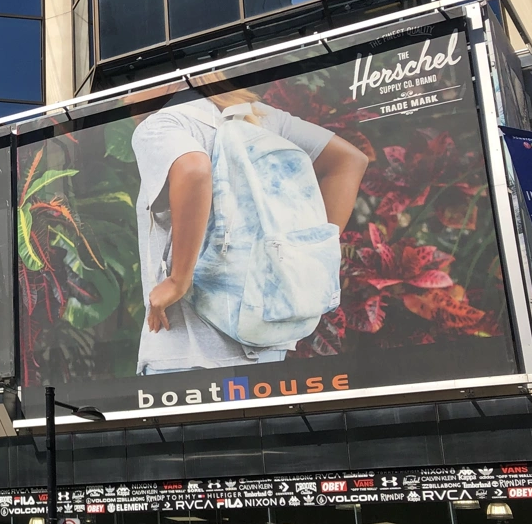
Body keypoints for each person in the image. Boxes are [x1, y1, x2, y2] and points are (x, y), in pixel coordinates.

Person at [130, 90, 367, 374]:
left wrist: (179, 280)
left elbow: (193, 169)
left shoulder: (162, 125)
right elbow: (349, 161)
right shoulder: (262, 118)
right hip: (268, 342)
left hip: (189, 356)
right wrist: (306, 256)